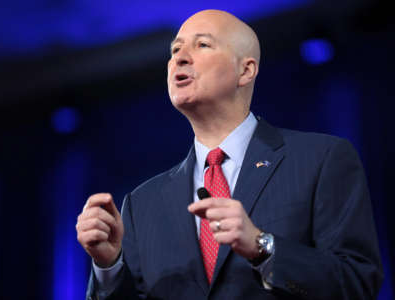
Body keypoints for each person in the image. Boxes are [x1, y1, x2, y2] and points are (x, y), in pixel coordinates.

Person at [76, 9, 383, 300]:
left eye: (203, 44)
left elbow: (358, 283)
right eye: (175, 50)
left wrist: (264, 248)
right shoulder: (141, 205)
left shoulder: (322, 160)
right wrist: (109, 266)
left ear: (245, 70)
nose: (179, 58)